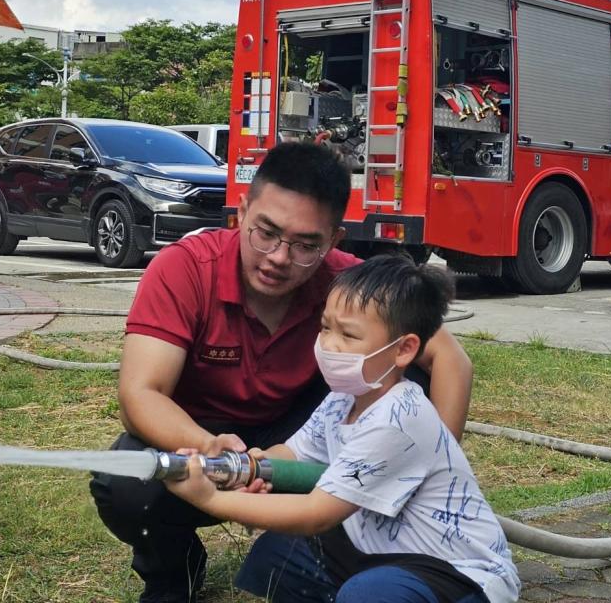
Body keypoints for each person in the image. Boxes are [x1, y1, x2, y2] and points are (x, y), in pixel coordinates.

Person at [89, 142, 474, 603]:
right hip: (201, 432)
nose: (277, 256)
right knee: (129, 482)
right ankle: (173, 570)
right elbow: (141, 394)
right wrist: (210, 448)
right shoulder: (185, 270)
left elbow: (451, 360)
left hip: (301, 427)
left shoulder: (348, 289)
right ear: (242, 210)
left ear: (334, 240)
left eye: (305, 244)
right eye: (265, 233)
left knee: (404, 374)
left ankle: (349, 545)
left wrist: (430, 466)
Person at [166, 255, 521, 603]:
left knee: (367, 594)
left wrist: (211, 499)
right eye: (325, 327)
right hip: (377, 549)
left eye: (348, 335)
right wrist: (238, 467)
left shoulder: (399, 419)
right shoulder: (346, 396)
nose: (328, 344)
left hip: (453, 572)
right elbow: (292, 454)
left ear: (404, 349)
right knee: (277, 556)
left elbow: (316, 515)